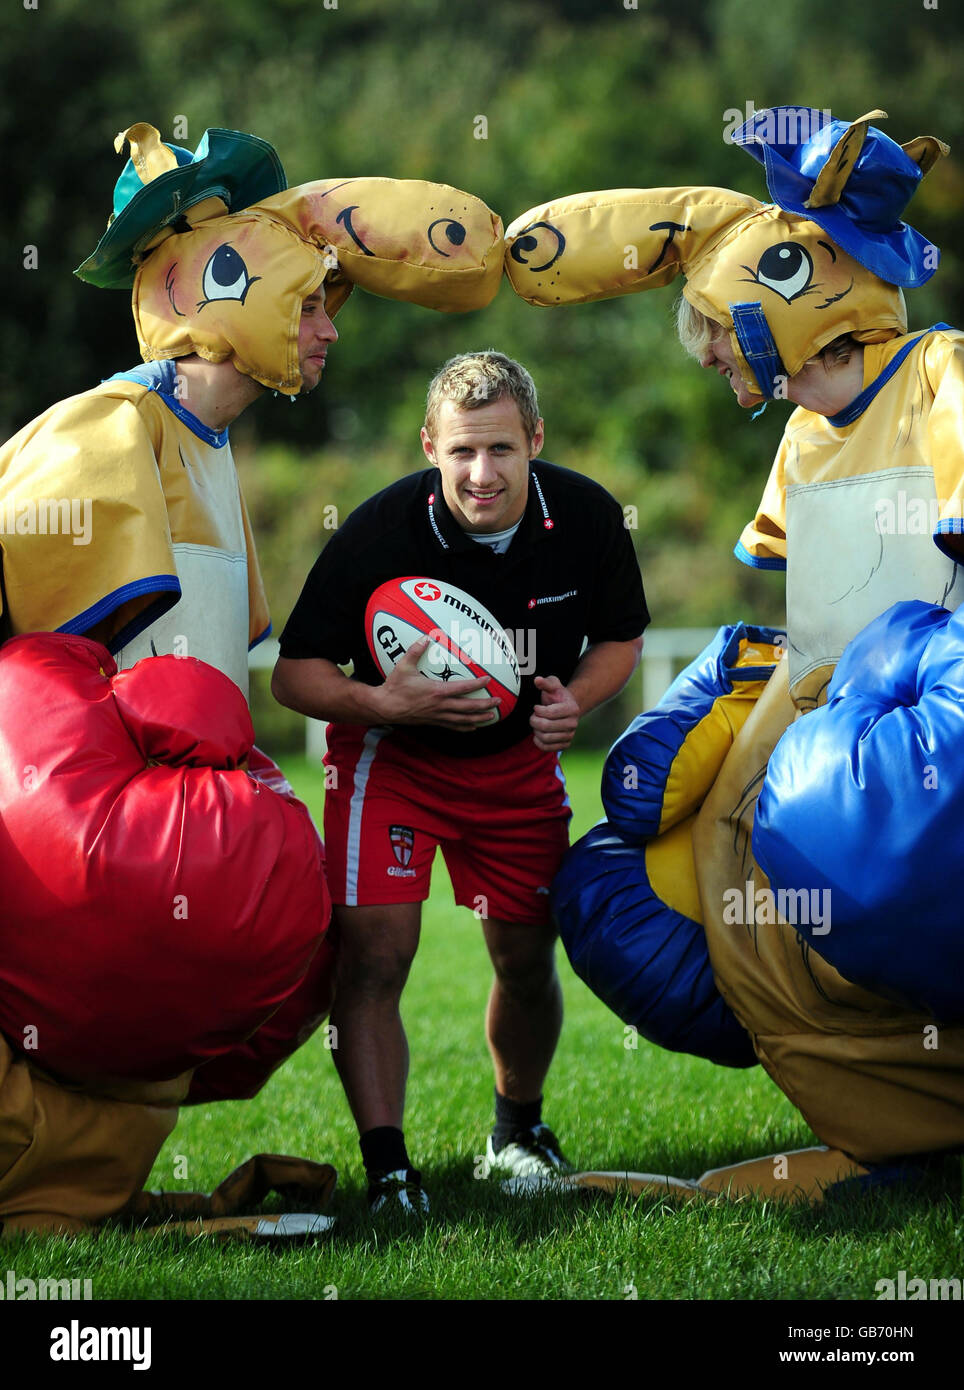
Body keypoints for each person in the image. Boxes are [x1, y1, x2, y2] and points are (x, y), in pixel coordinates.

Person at [0, 120, 503, 1235]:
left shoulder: (217, 454)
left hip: (146, 859)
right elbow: (39, 676)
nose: (327, 330)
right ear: (220, 286)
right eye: (312, 300)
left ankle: (67, 1187)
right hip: (62, 850)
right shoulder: (106, 428)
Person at [504, 107, 964, 1204]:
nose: (712, 355)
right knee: (647, 887)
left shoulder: (939, 371)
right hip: (832, 749)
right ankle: (893, 1114)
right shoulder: (803, 435)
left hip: (921, 745)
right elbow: (811, 615)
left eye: (718, 330)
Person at [272, 350, 649, 1213]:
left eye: (503, 451)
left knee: (525, 958)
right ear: (429, 448)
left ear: (536, 441)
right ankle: (390, 1173)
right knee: (375, 959)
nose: (482, 474)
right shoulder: (377, 533)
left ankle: (517, 1132)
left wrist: (576, 703)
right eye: (462, 453)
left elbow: (621, 640)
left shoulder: (588, 517)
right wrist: (381, 700)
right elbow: (293, 675)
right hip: (391, 765)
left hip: (519, 774)